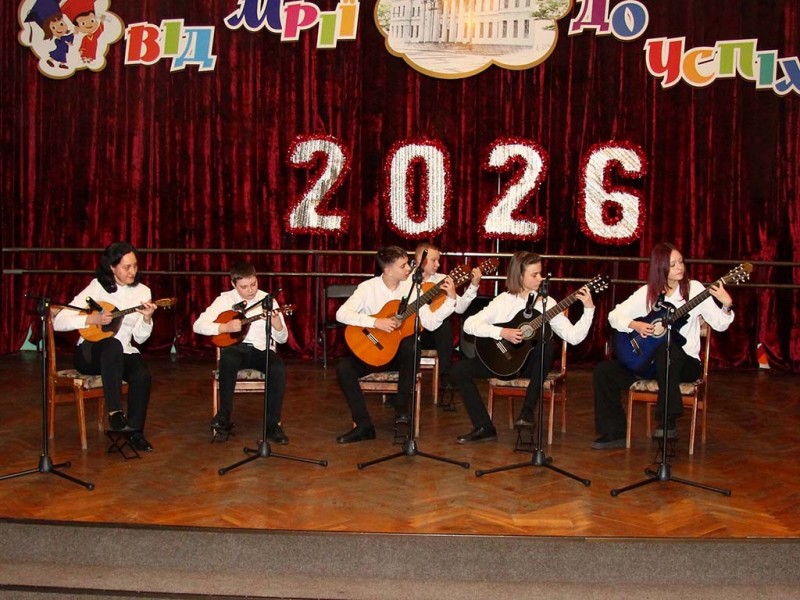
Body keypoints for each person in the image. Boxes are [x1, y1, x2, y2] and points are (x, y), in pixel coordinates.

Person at [591, 242, 734, 449]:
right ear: (660, 268)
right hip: (652, 365)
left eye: (681, 262)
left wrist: (726, 305)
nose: (680, 267)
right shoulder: (648, 292)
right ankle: (615, 432)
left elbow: (720, 325)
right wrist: (635, 325)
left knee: (668, 349)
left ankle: (667, 422)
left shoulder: (694, 289)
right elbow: (614, 316)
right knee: (604, 372)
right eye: (673, 264)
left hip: (685, 364)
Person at [451, 251, 595, 443]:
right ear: (519, 276)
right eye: (534, 275)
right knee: (459, 370)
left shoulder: (547, 304)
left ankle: (527, 413)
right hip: (500, 361)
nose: (540, 278)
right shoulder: (503, 300)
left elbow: (574, 337)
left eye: (540, 273)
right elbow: (469, 324)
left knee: (546, 346)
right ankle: (484, 427)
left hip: (527, 366)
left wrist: (589, 309)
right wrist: (502, 332)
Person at [334, 245, 457, 443]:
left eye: (408, 263)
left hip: (400, 357)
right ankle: (364, 425)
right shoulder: (368, 288)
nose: (409, 268)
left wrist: (450, 300)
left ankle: (402, 412)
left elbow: (431, 323)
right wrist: (375, 322)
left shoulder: (414, 290)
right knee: (343, 369)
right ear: (388, 270)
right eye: (403, 266)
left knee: (411, 344)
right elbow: (341, 314)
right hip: (374, 351)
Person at [53, 242, 158, 452]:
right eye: (126, 267)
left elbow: (140, 338)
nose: (132, 271)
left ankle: (135, 433)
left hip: (122, 351)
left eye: (135, 266)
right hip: (90, 354)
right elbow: (59, 321)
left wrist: (147, 319)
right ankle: (115, 412)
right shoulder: (96, 288)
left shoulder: (143, 291)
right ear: (112, 267)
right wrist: (91, 319)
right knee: (112, 344)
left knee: (141, 375)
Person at [193, 261, 289, 444]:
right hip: (235, 349)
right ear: (233, 284)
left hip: (261, 350)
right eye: (244, 287)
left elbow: (283, 339)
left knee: (278, 368)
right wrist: (224, 327)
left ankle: (272, 426)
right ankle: (223, 419)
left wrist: (277, 324)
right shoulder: (224, 300)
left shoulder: (268, 300)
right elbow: (198, 325)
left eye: (253, 284)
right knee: (228, 359)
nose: (250, 290)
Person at [413, 242, 482, 388]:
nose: (438, 264)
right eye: (433, 260)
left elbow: (460, 309)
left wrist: (473, 286)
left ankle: (445, 376)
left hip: (430, 335)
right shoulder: (406, 279)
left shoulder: (442, 279)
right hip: (410, 334)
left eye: (439, 260)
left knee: (443, 324)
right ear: (420, 259)